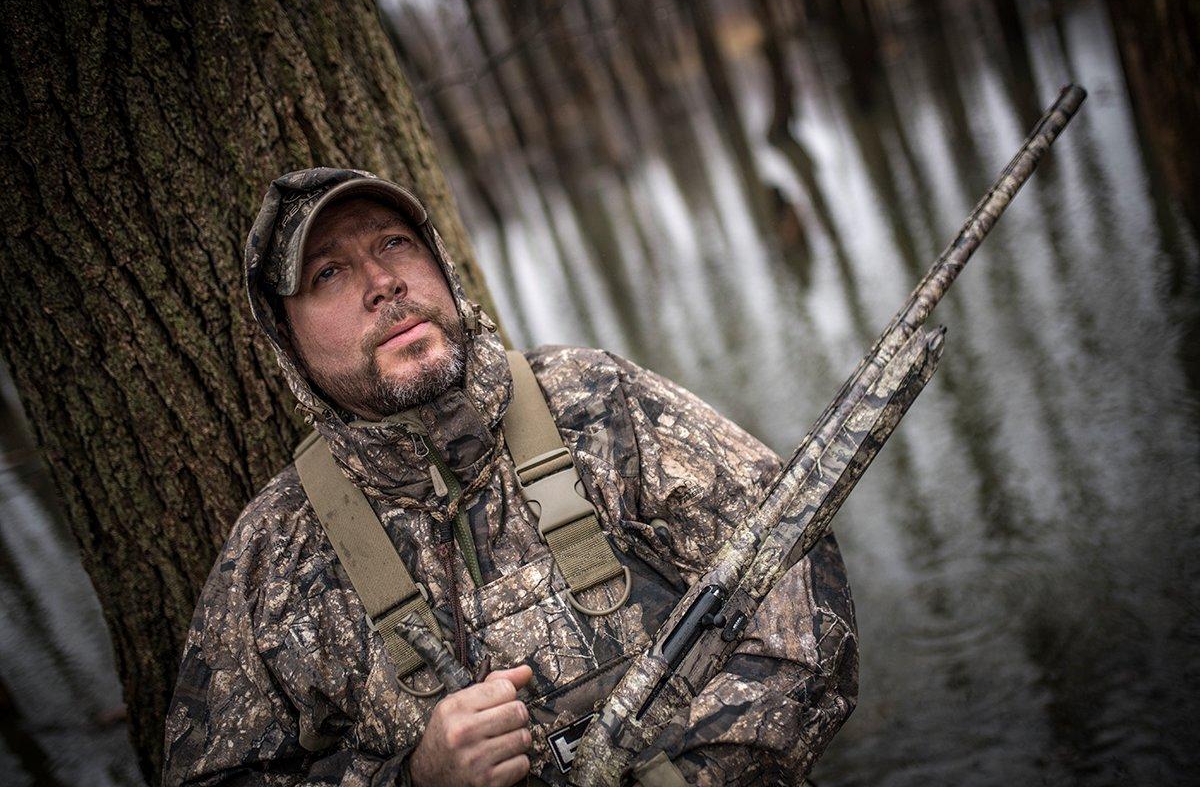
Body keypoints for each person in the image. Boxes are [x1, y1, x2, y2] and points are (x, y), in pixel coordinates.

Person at [162, 168, 858, 787]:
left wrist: (696, 772)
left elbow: (798, 575)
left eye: (393, 244)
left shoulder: (599, 399)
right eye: (328, 275)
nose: (383, 284)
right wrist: (417, 777)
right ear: (289, 343)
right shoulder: (275, 551)